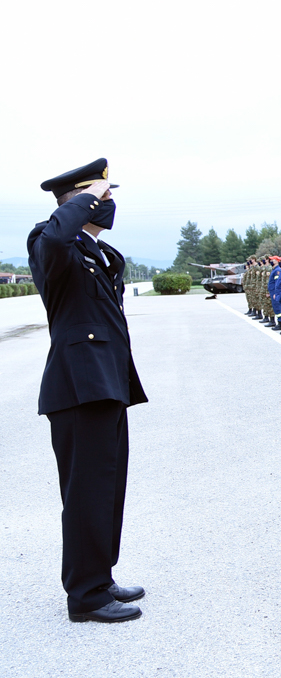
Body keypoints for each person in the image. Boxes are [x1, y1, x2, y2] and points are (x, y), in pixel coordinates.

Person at [28, 159, 148, 623]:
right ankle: (85, 596)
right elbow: (58, 235)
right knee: (85, 493)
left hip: (106, 384)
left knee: (107, 489)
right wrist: (85, 198)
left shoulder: (96, 251)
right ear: (77, 201)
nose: (110, 201)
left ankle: (100, 575)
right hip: (78, 388)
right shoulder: (49, 242)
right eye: (104, 195)